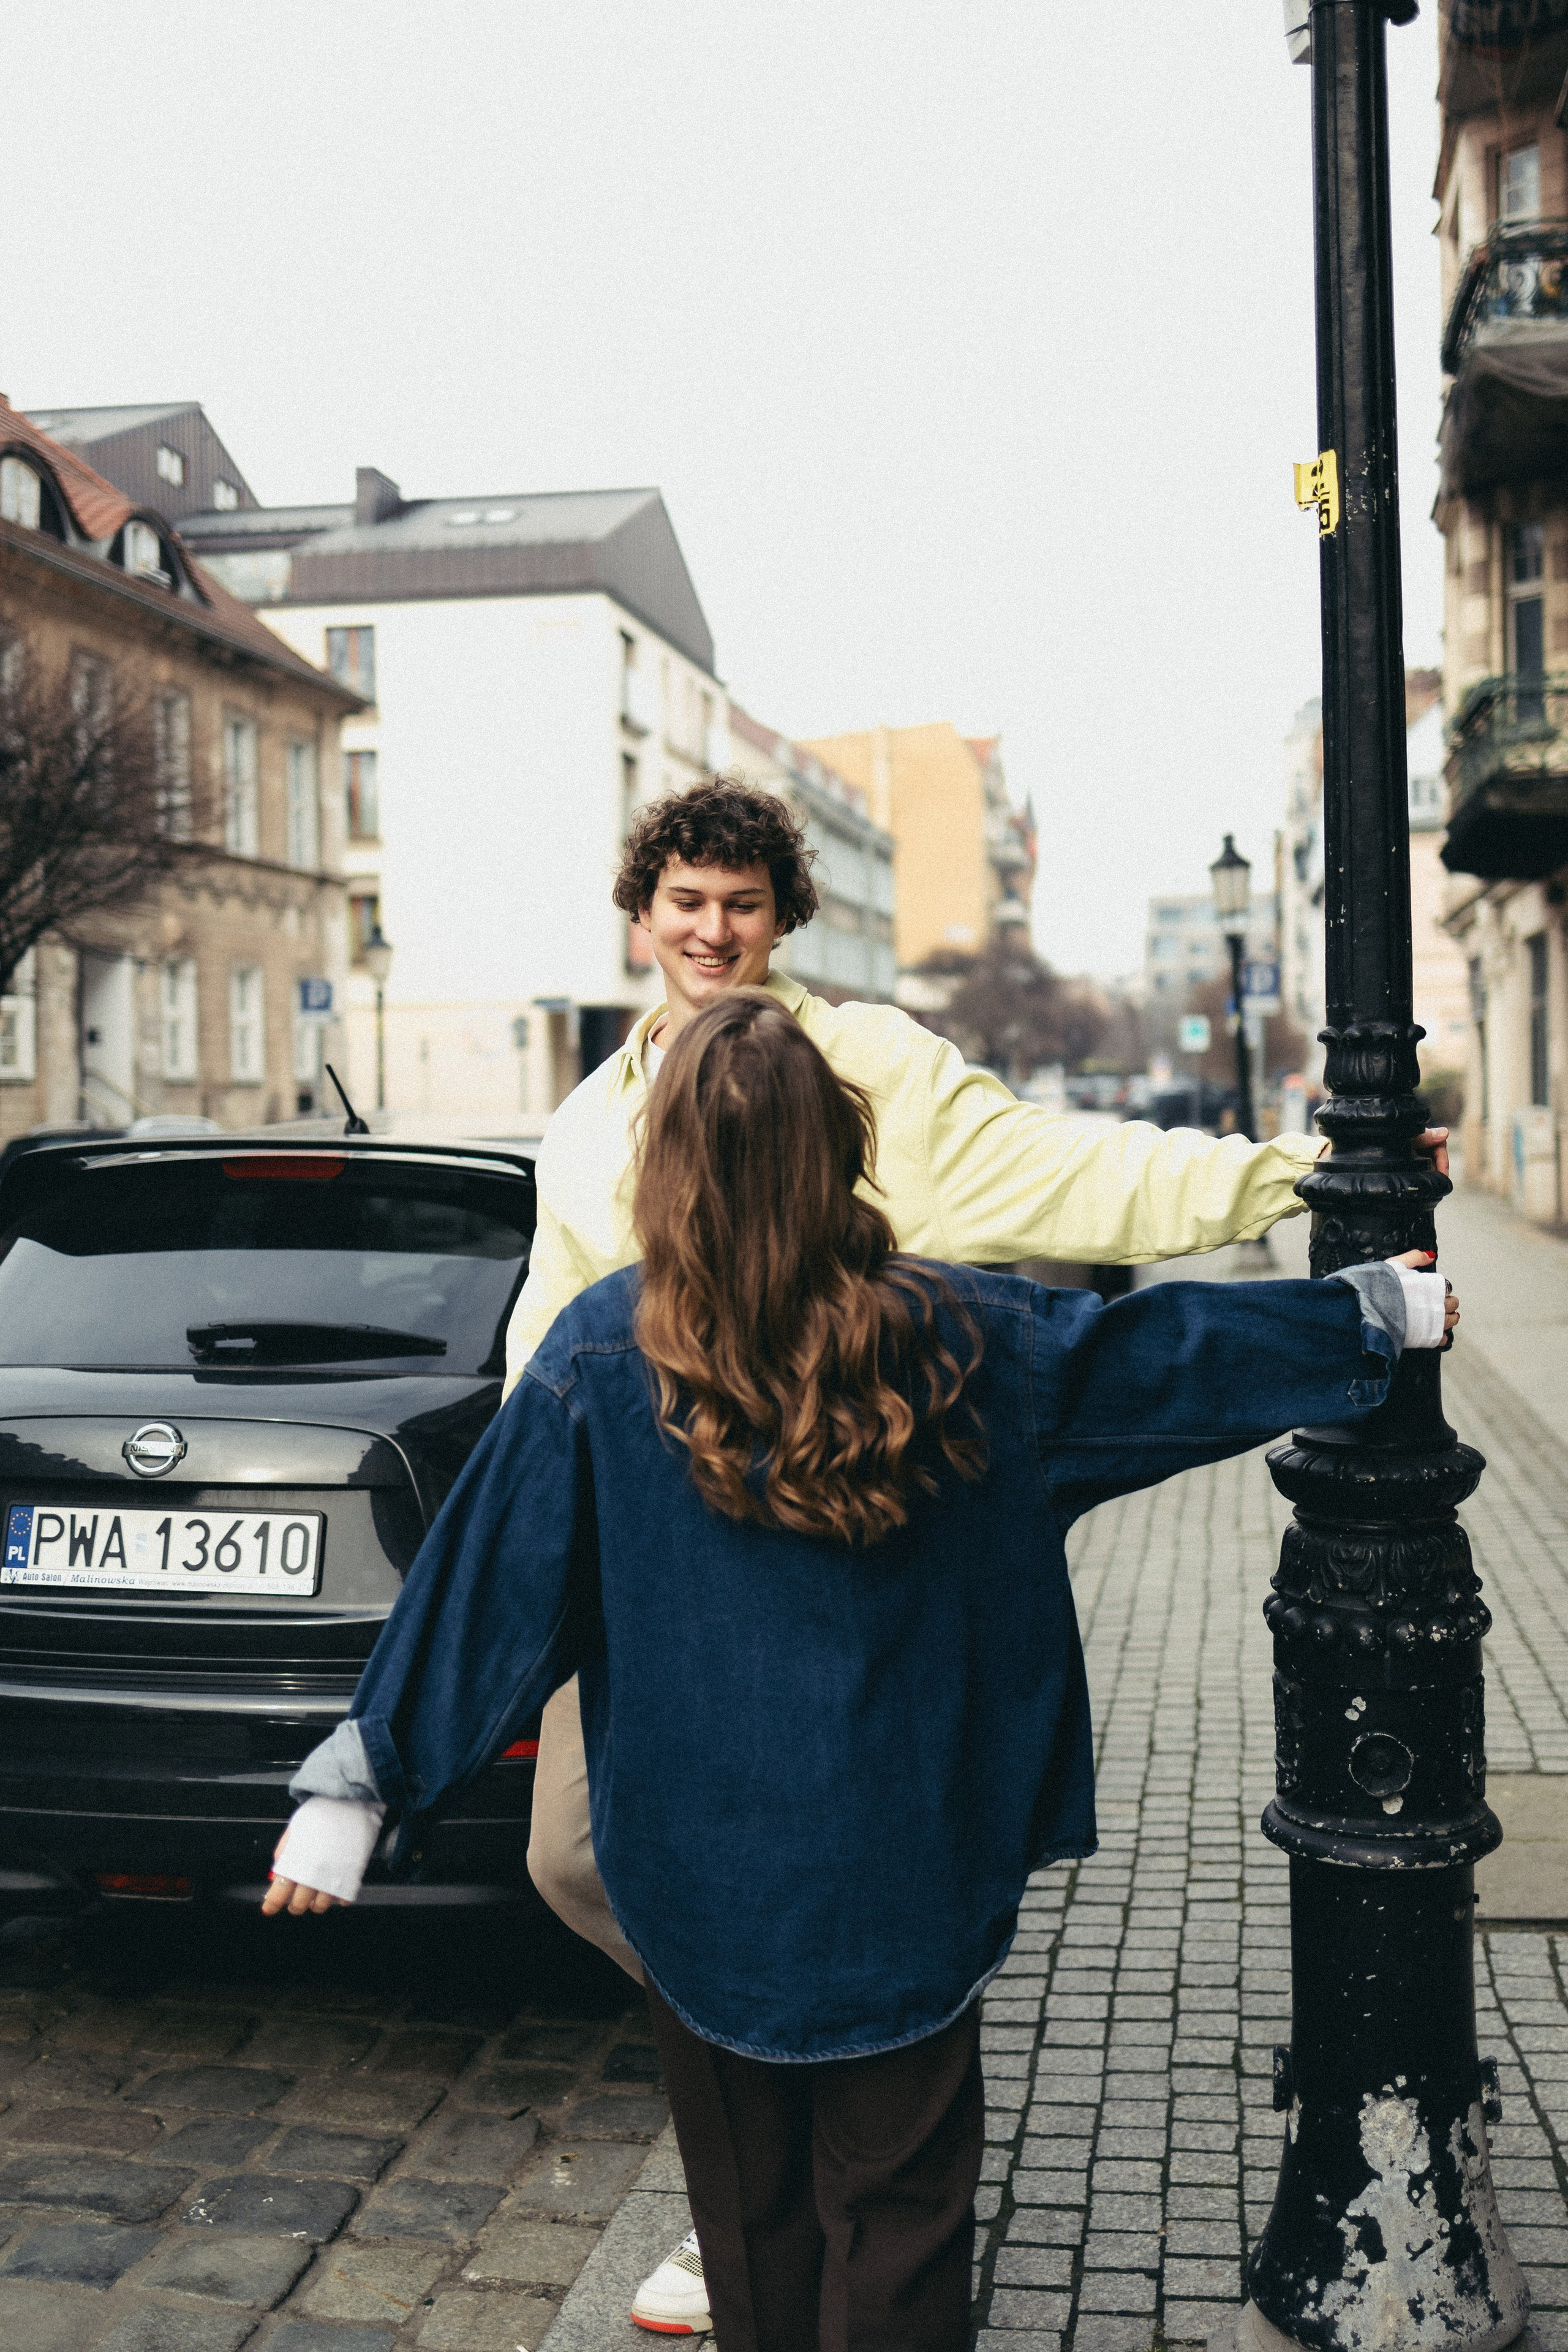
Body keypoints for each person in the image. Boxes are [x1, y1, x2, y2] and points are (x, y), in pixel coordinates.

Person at [262, 990, 1457, 2352]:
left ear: (664, 1168)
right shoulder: (964, 1336)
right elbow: (1166, 1357)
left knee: (749, 2220)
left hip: (695, 1876)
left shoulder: (601, 1351)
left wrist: (356, 1790)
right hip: (907, 1864)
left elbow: (488, 1581)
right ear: (838, 1153)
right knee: (900, 2219)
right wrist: (1371, 1314)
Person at [502, 777, 1449, 2337]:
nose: (711, 929)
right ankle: (762, 2119)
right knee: (575, 1859)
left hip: (846, 1542)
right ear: (642, 911)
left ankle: (798, 2166)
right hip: (663, 1590)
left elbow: (1073, 1181)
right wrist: (528, 1542)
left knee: (867, 1888)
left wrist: (1288, 1170)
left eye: (741, 902)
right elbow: (549, 1335)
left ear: (780, 915)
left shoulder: (859, 1065)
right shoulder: (585, 1118)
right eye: (685, 901)